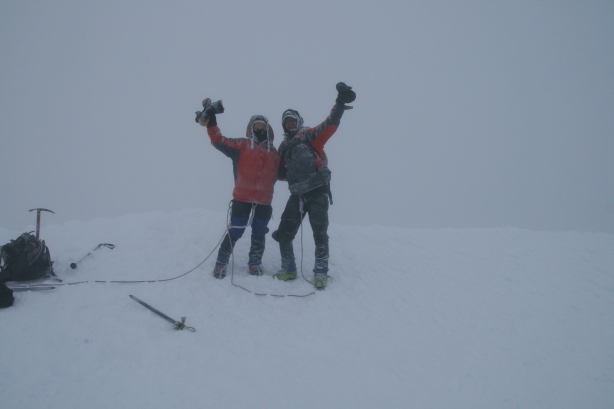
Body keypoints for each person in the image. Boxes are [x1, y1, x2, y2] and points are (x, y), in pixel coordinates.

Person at [272, 82, 356, 290]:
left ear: (299, 122)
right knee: (284, 233)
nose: (290, 124)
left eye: (293, 121)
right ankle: (289, 269)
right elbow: (280, 172)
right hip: (297, 195)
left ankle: (320, 273)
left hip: (317, 191)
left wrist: (339, 102)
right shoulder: (283, 147)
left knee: (320, 233)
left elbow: (329, 125)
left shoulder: (308, 135)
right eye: (286, 122)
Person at [197, 104, 280, 279]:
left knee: (259, 233)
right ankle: (221, 263)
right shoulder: (241, 145)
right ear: (250, 129)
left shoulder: (274, 153)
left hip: (264, 201)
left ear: (267, 128)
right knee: (235, 230)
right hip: (242, 198)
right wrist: (212, 120)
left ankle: (254, 264)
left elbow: (286, 173)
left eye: (261, 126)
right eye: (255, 127)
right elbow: (218, 140)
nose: (258, 129)